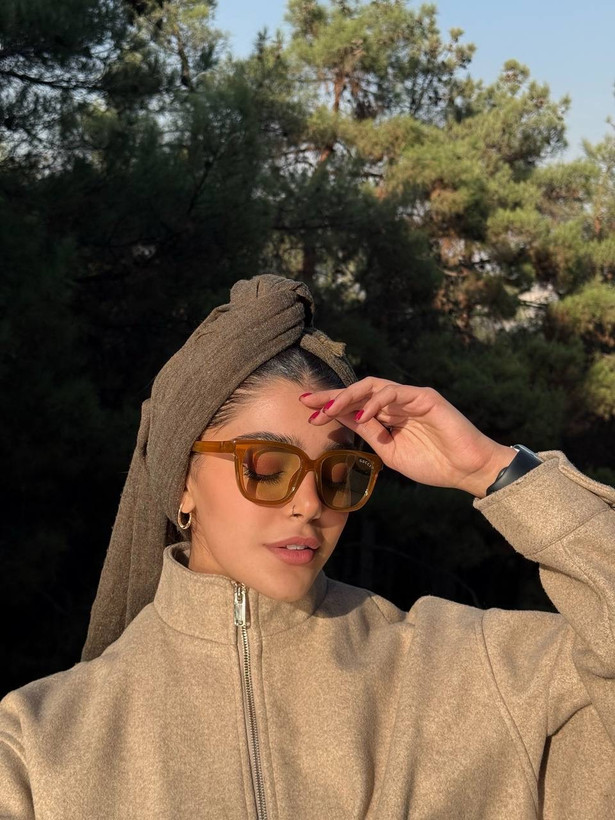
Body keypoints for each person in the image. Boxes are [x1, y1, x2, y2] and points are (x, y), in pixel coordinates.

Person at [0, 274, 613, 819]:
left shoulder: (483, 675)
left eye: (339, 473)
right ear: (181, 482)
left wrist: (493, 469)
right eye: (268, 466)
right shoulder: (38, 745)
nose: (310, 503)